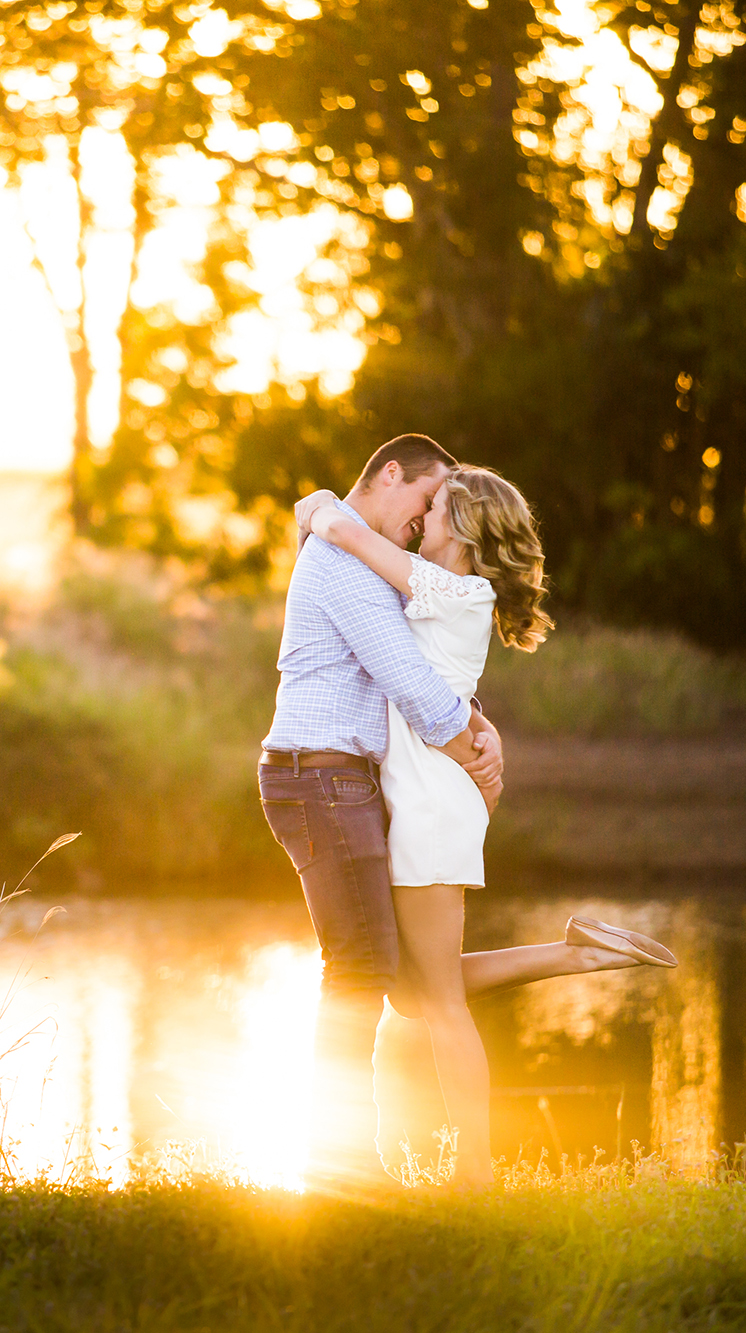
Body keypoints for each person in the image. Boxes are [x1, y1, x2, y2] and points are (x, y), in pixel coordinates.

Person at [261, 435, 675, 1192]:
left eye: (436, 508)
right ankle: (575, 953)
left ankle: (465, 1175)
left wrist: (473, 741)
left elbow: (417, 680)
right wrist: (475, 733)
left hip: (422, 798)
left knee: (420, 996)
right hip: (385, 785)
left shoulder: (433, 582)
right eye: (423, 499)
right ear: (392, 473)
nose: (421, 517)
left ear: (464, 525)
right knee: (409, 990)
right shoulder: (408, 579)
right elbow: (421, 676)